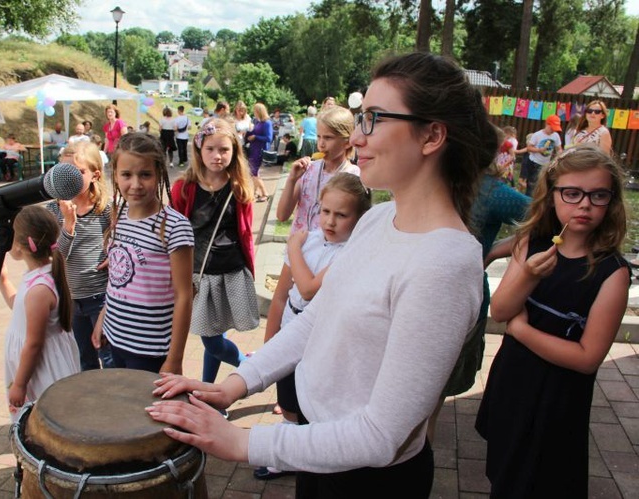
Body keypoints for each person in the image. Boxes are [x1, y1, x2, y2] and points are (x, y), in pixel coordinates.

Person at [147, 52, 497, 497]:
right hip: (319, 449)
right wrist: (236, 385)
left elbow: (381, 435)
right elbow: (317, 317)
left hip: (367, 479)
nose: (358, 138)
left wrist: (244, 441)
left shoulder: (445, 262)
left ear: (432, 136)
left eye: (373, 119)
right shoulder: (376, 219)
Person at [475, 144, 630, 498]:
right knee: (505, 468)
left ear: (612, 202)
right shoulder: (532, 244)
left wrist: (522, 330)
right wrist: (528, 276)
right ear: (552, 195)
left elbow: (587, 356)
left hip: (556, 398)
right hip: (513, 380)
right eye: (572, 194)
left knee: (539, 478)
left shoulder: (611, 273)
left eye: (598, 195)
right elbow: (499, 310)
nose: (585, 205)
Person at [255, 172, 372, 481]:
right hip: (292, 327)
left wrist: (293, 247)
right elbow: (282, 295)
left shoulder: (351, 252)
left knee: (315, 397)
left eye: (341, 215)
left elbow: (308, 289)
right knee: (287, 394)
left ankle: (312, 453)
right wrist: (271, 344)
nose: (330, 221)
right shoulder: (310, 241)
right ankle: (290, 449)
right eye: (325, 211)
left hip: (323, 336)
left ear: (360, 218)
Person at [426, 127, 532, 443]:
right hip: (431, 289)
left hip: (459, 295)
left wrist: (496, 250)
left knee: (433, 383)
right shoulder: (436, 181)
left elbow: (545, 217)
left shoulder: (491, 191)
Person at [91, 133, 194, 374]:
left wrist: (175, 359)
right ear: (115, 175)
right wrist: (103, 318)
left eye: (145, 175)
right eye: (126, 175)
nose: (135, 184)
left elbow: (184, 296)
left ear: (159, 174)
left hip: (151, 350)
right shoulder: (118, 217)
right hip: (116, 338)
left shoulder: (175, 226)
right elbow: (117, 280)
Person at [170, 118, 259, 387]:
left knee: (214, 337)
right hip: (199, 275)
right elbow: (173, 232)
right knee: (212, 339)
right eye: (210, 149)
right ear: (199, 150)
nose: (217, 156)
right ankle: (249, 368)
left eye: (224, 150)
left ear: (234, 152)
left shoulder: (239, 187)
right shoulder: (184, 188)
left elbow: (244, 233)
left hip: (230, 274)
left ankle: (209, 390)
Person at [0, 205, 80, 421]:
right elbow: (21, 308)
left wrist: (20, 383)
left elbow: (34, 344)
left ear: (20, 246)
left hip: (40, 369)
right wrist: (3, 281)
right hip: (35, 365)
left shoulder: (39, 290)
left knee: (46, 421)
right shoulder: (41, 274)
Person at [46, 142, 115, 371]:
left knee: (109, 355)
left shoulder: (105, 208)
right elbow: (58, 256)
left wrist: (115, 253)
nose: (70, 179)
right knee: (83, 359)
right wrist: (68, 225)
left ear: (95, 175)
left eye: (78, 172)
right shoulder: (55, 210)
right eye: (64, 172)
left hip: (101, 298)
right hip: (72, 299)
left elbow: (123, 240)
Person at [276, 106, 361, 234]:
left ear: (347, 142)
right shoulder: (308, 170)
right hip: (298, 247)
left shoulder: (353, 176)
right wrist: (292, 180)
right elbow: (282, 216)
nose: (321, 144)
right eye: (319, 137)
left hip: (330, 250)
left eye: (328, 138)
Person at [525, 114, 563, 196]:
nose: (553, 130)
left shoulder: (556, 136)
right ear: (547, 124)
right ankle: (528, 201)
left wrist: (560, 154)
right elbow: (529, 148)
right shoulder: (537, 135)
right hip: (534, 163)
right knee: (532, 185)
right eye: (552, 128)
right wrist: (539, 150)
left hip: (545, 164)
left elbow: (558, 148)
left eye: (555, 128)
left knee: (543, 185)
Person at [245, 102, 274, 202]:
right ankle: (255, 192)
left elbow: (269, 138)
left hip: (260, 150)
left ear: (259, 111)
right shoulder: (258, 122)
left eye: (255, 111)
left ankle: (264, 193)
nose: (254, 113)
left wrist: (255, 137)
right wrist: (249, 132)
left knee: (254, 173)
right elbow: (254, 133)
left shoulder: (267, 123)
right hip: (254, 149)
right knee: (254, 173)